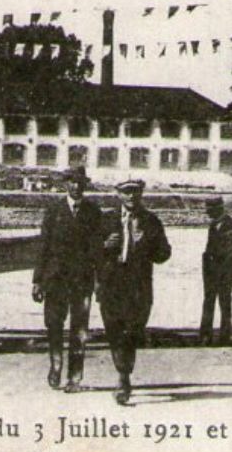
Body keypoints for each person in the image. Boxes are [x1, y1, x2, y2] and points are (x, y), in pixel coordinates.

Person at [98, 178, 171, 406]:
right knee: (113, 330)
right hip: (111, 284)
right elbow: (88, 252)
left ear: (141, 194)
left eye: (135, 192)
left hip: (138, 287)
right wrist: (104, 246)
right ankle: (123, 375)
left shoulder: (151, 221)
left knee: (131, 332)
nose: (131, 197)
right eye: (126, 192)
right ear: (118, 193)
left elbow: (164, 254)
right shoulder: (106, 219)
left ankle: (123, 376)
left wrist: (148, 242)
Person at [32, 167, 102, 391]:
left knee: (79, 329)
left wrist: (99, 280)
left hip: (82, 279)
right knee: (53, 323)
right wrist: (37, 280)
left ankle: (75, 377)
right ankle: (56, 364)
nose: (76, 186)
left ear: (85, 185)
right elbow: (43, 246)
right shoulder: (54, 210)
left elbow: (98, 250)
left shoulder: (93, 211)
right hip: (55, 279)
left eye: (80, 182)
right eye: (72, 182)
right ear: (65, 184)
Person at [199, 195, 232, 345]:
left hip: (225, 271)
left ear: (218, 209)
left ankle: (224, 336)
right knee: (209, 302)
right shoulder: (214, 225)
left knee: (225, 303)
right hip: (211, 271)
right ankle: (205, 335)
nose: (207, 213)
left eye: (209, 210)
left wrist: (229, 263)